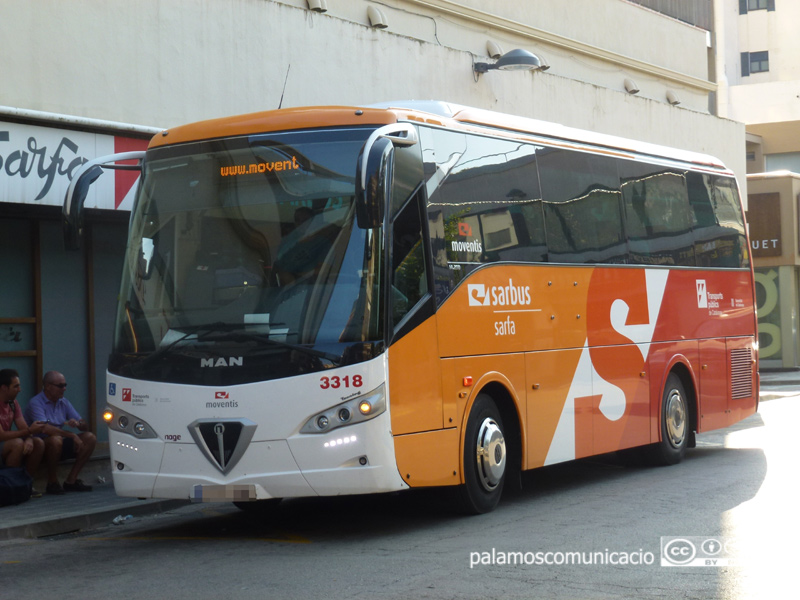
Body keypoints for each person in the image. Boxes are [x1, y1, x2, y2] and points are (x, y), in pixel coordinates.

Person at [24, 371, 96, 494]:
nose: (64, 389)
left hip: (60, 441)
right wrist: (72, 435)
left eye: (65, 385)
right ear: (48, 386)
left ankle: (71, 480)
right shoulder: (36, 403)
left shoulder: (64, 402)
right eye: (60, 386)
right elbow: (44, 428)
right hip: (40, 445)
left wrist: (79, 424)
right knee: (55, 440)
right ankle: (52, 482)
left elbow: (84, 426)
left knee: (90, 438)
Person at [0, 369, 45, 482]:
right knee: (17, 444)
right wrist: (29, 431)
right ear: (4, 388)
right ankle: (10, 483)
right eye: (16, 386)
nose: (20, 390)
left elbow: (24, 427)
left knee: (38, 442)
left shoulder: (12, 403)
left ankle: (26, 482)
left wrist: (29, 438)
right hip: (3, 441)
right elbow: (2, 436)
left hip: (5, 443)